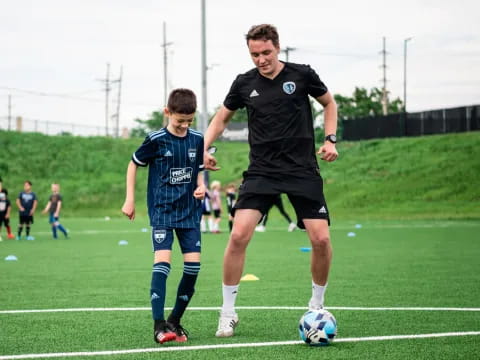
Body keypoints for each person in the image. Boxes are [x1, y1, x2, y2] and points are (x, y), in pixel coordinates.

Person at [203, 24, 338, 337]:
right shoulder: (243, 83)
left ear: (277, 48)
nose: (261, 59)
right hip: (262, 171)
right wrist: (205, 148)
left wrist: (330, 139)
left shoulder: (302, 75)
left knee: (321, 239)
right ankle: (227, 312)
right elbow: (221, 119)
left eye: (266, 52)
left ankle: (316, 305)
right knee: (238, 235)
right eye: (254, 54)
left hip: (302, 169)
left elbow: (329, 103)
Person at [121, 88, 206, 344]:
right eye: (179, 120)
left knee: (193, 268)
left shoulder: (197, 139)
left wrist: (201, 185)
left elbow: (198, 170)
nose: (184, 125)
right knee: (163, 264)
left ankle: (175, 322)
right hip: (162, 211)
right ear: (167, 113)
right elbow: (133, 163)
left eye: (189, 121)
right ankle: (159, 326)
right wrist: (130, 198)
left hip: (189, 212)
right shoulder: (155, 139)